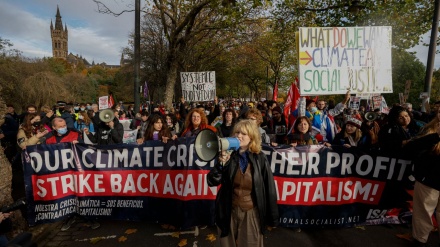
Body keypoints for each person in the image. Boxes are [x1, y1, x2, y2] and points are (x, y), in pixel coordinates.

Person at [207, 119, 279, 246]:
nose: (239, 136)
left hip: (251, 212)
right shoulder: (228, 155)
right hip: (229, 210)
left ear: (251, 137)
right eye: (237, 133)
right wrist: (221, 164)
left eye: (243, 134)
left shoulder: (260, 158)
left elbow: (269, 188)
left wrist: (273, 217)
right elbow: (212, 181)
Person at [403, 108, 440, 247]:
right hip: (428, 181)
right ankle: (419, 240)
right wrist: (437, 136)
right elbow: (411, 148)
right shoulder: (428, 129)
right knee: (423, 213)